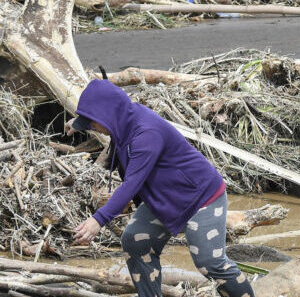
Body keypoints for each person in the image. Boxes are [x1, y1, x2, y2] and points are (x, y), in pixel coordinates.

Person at [68, 80, 253, 297]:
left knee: (209, 262)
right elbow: (104, 119)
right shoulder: (124, 118)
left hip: (201, 197)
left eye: (92, 124)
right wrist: (79, 122)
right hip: (165, 198)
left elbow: (131, 185)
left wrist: (98, 220)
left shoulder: (146, 134)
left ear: (107, 116)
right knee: (136, 240)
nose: (93, 128)